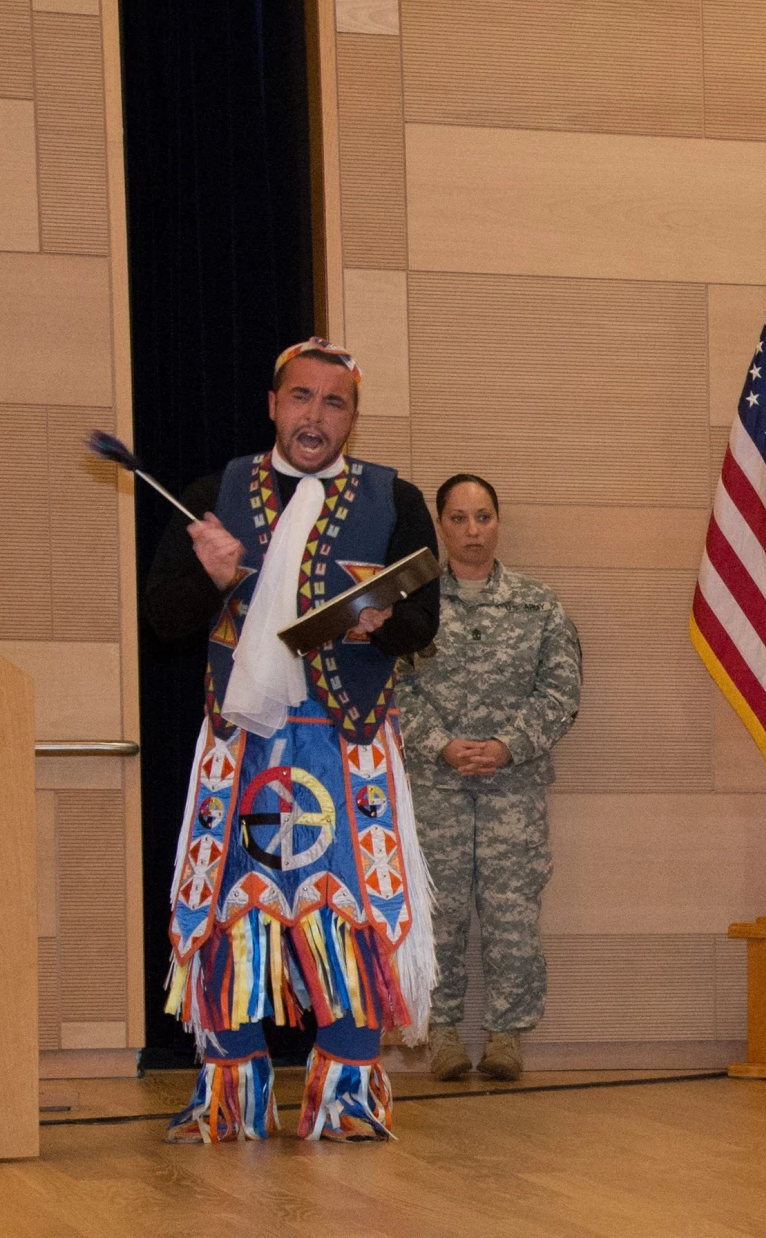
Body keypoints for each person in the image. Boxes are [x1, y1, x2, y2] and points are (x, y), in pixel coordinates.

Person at [143, 337, 440, 1142]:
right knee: (228, 913)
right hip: (240, 746)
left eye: (334, 401)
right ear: (274, 405)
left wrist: (380, 620)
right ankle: (229, 1097)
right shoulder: (216, 494)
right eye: (301, 398)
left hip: (348, 746)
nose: (316, 415)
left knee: (354, 915)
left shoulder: (394, 499)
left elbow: (424, 618)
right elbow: (162, 619)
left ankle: (345, 1099)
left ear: (352, 415)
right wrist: (209, 578)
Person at [395, 474, 581, 1082]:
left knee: (511, 916)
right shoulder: (413, 606)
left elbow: (561, 692)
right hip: (435, 787)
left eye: (483, 517)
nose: (472, 532)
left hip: (513, 790)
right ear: (441, 526)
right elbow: (393, 691)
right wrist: (443, 746)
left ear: (499, 522)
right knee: (438, 913)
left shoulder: (538, 604)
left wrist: (506, 747)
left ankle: (506, 1036)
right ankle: (442, 1034)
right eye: (458, 519)